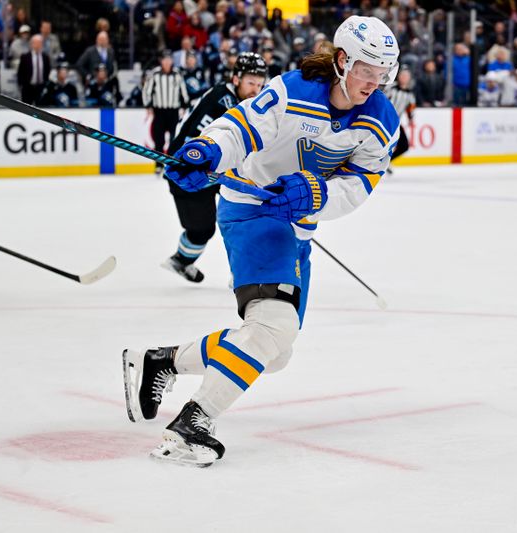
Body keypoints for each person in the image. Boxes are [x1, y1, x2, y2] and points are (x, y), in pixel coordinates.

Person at [122, 16, 400, 467]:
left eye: (383, 72)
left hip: (298, 227)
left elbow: (361, 182)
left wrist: (318, 192)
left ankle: (162, 361)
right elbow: (238, 128)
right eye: (367, 69)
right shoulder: (292, 92)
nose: (375, 81)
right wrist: (207, 150)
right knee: (273, 328)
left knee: (274, 352)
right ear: (343, 60)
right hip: (251, 209)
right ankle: (192, 424)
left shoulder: (381, 119)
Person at [161, 52, 267, 283]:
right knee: (202, 230)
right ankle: (180, 261)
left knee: (242, 216)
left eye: (260, 84)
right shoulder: (221, 100)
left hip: (214, 172)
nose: (255, 90)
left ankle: (241, 270)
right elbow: (192, 141)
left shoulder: (242, 102)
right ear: (236, 79)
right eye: (251, 83)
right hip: (186, 173)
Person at [144, 50, 190, 164]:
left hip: (173, 111)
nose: (167, 62)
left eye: (169, 59)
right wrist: (148, 105)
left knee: (174, 139)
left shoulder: (177, 74)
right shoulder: (155, 74)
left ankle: (171, 163)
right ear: (161, 61)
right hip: (159, 111)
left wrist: (185, 105)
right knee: (159, 139)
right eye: (165, 59)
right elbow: (146, 91)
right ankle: (158, 164)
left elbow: (183, 90)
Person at [384, 67, 415, 166]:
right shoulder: (391, 88)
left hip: (396, 123)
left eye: (406, 76)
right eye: (402, 75)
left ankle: (386, 162)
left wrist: (411, 119)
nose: (404, 78)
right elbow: (382, 100)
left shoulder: (410, 94)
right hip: (384, 120)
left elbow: (411, 108)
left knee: (404, 146)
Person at [17, 34, 50, 105]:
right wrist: (21, 85)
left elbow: (47, 71)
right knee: (26, 109)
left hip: (41, 87)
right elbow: (20, 72)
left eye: (40, 43)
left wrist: (45, 84)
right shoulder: (25, 57)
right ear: (32, 44)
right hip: (28, 87)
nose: (38, 45)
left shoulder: (45, 57)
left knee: (41, 109)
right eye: (36, 43)